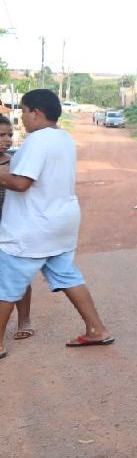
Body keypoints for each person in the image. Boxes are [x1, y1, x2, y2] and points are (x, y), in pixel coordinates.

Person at [0, 89, 114, 360]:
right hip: (60, 223)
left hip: (32, 226)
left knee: (6, 285)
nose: (22, 117)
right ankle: (96, 329)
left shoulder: (37, 140)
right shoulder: (64, 138)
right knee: (67, 276)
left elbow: (21, 183)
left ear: (36, 113)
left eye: (23, 111)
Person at [0, 115, 33, 341]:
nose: (7, 139)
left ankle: (24, 319)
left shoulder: (15, 163)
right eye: (1, 135)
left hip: (12, 227)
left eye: (9, 135)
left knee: (19, 275)